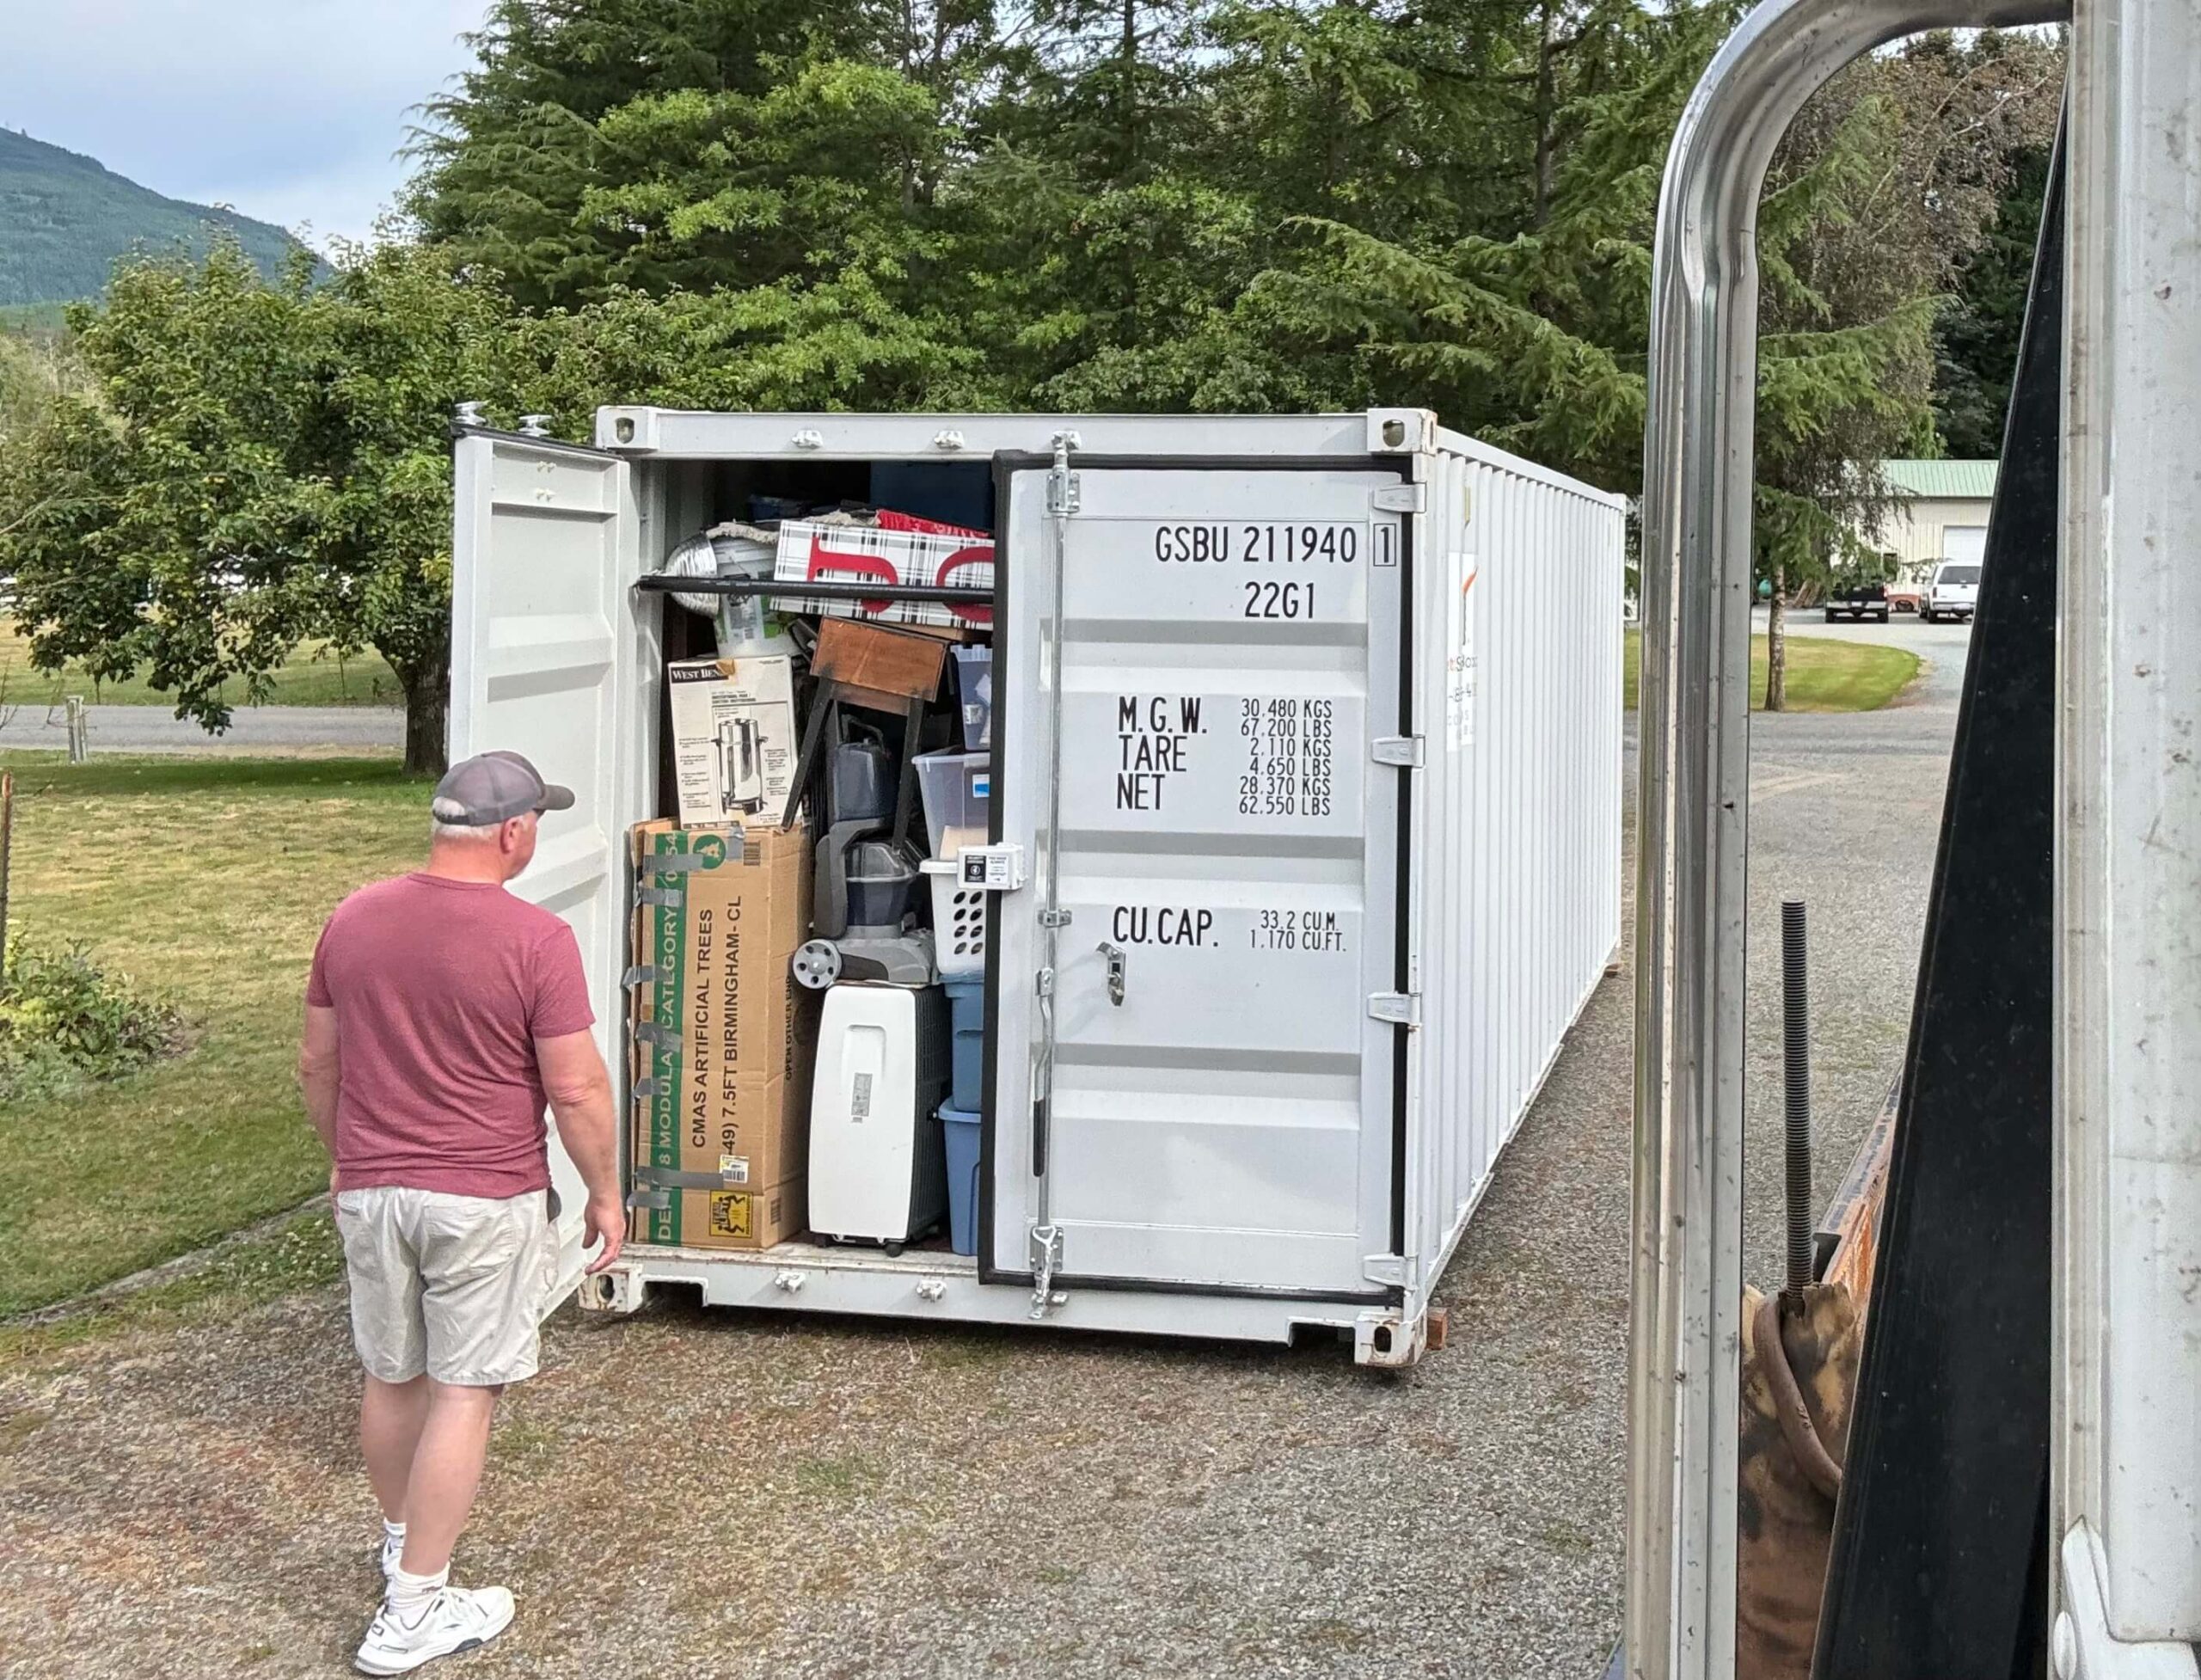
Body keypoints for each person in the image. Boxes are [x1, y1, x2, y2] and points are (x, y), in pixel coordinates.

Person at [298, 750, 624, 1675]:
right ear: (515, 832)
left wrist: (343, 1157)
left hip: (373, 1187)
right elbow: (577, 1088)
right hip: (481, 1195)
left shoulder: (353, 917)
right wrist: (604, 1191)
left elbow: (317, 1064)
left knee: (391, 1375)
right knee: (465, 1389)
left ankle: (403, 1546)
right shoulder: (534, 939)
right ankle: (413, 1612)